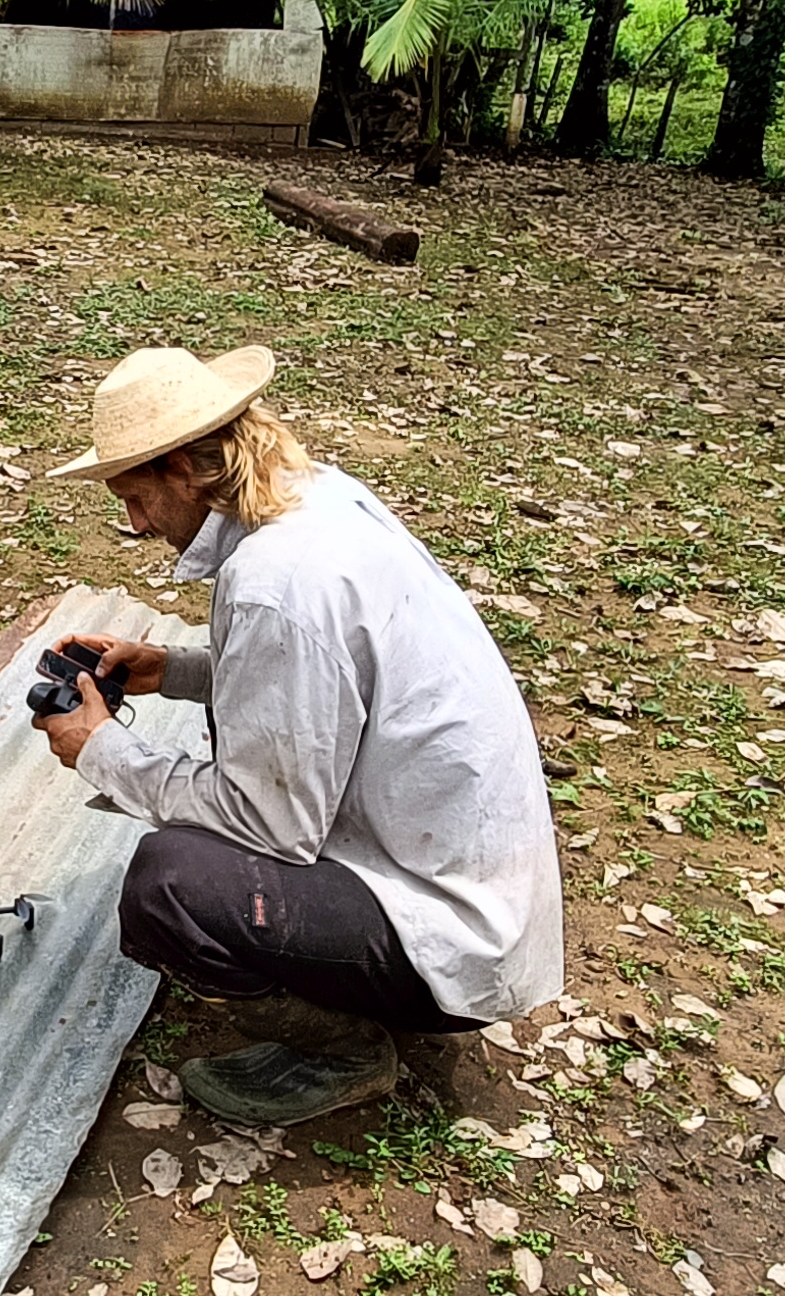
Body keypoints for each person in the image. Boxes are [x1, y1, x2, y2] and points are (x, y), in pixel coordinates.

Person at [35, 341, 562, 1131]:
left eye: (138, 498)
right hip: (470, 888)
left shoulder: (277, 582)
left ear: (186, 469)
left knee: (169, 887)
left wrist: (103, 750)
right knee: (200, 843)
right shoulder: (315, 499)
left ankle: (345, 1051)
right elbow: (321, 677)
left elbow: (268, 824)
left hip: (448, 936)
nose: (136, 525)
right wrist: (172, 670)